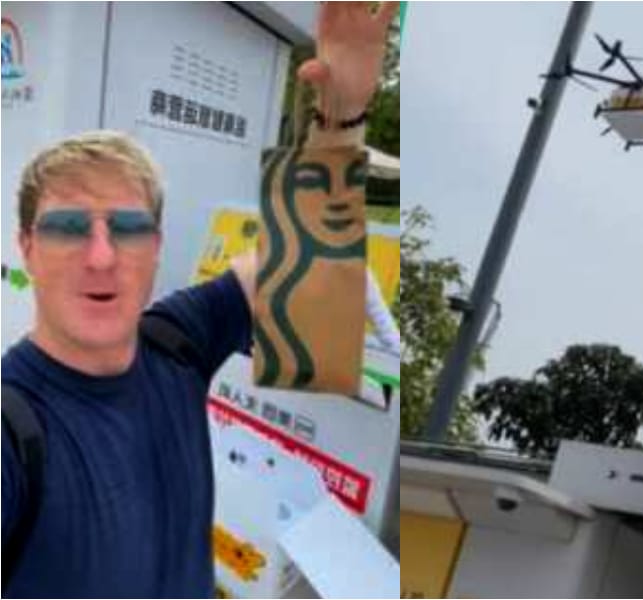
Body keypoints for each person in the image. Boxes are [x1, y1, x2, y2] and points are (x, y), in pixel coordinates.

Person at [0, 3, 397, 596]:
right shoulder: (12, 428)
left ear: (157, 247)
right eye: (68, 228)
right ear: (26, 247)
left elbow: (301, 262)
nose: (102, 256)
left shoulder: (175, 342)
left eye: (129, 228)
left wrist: (341, 115)